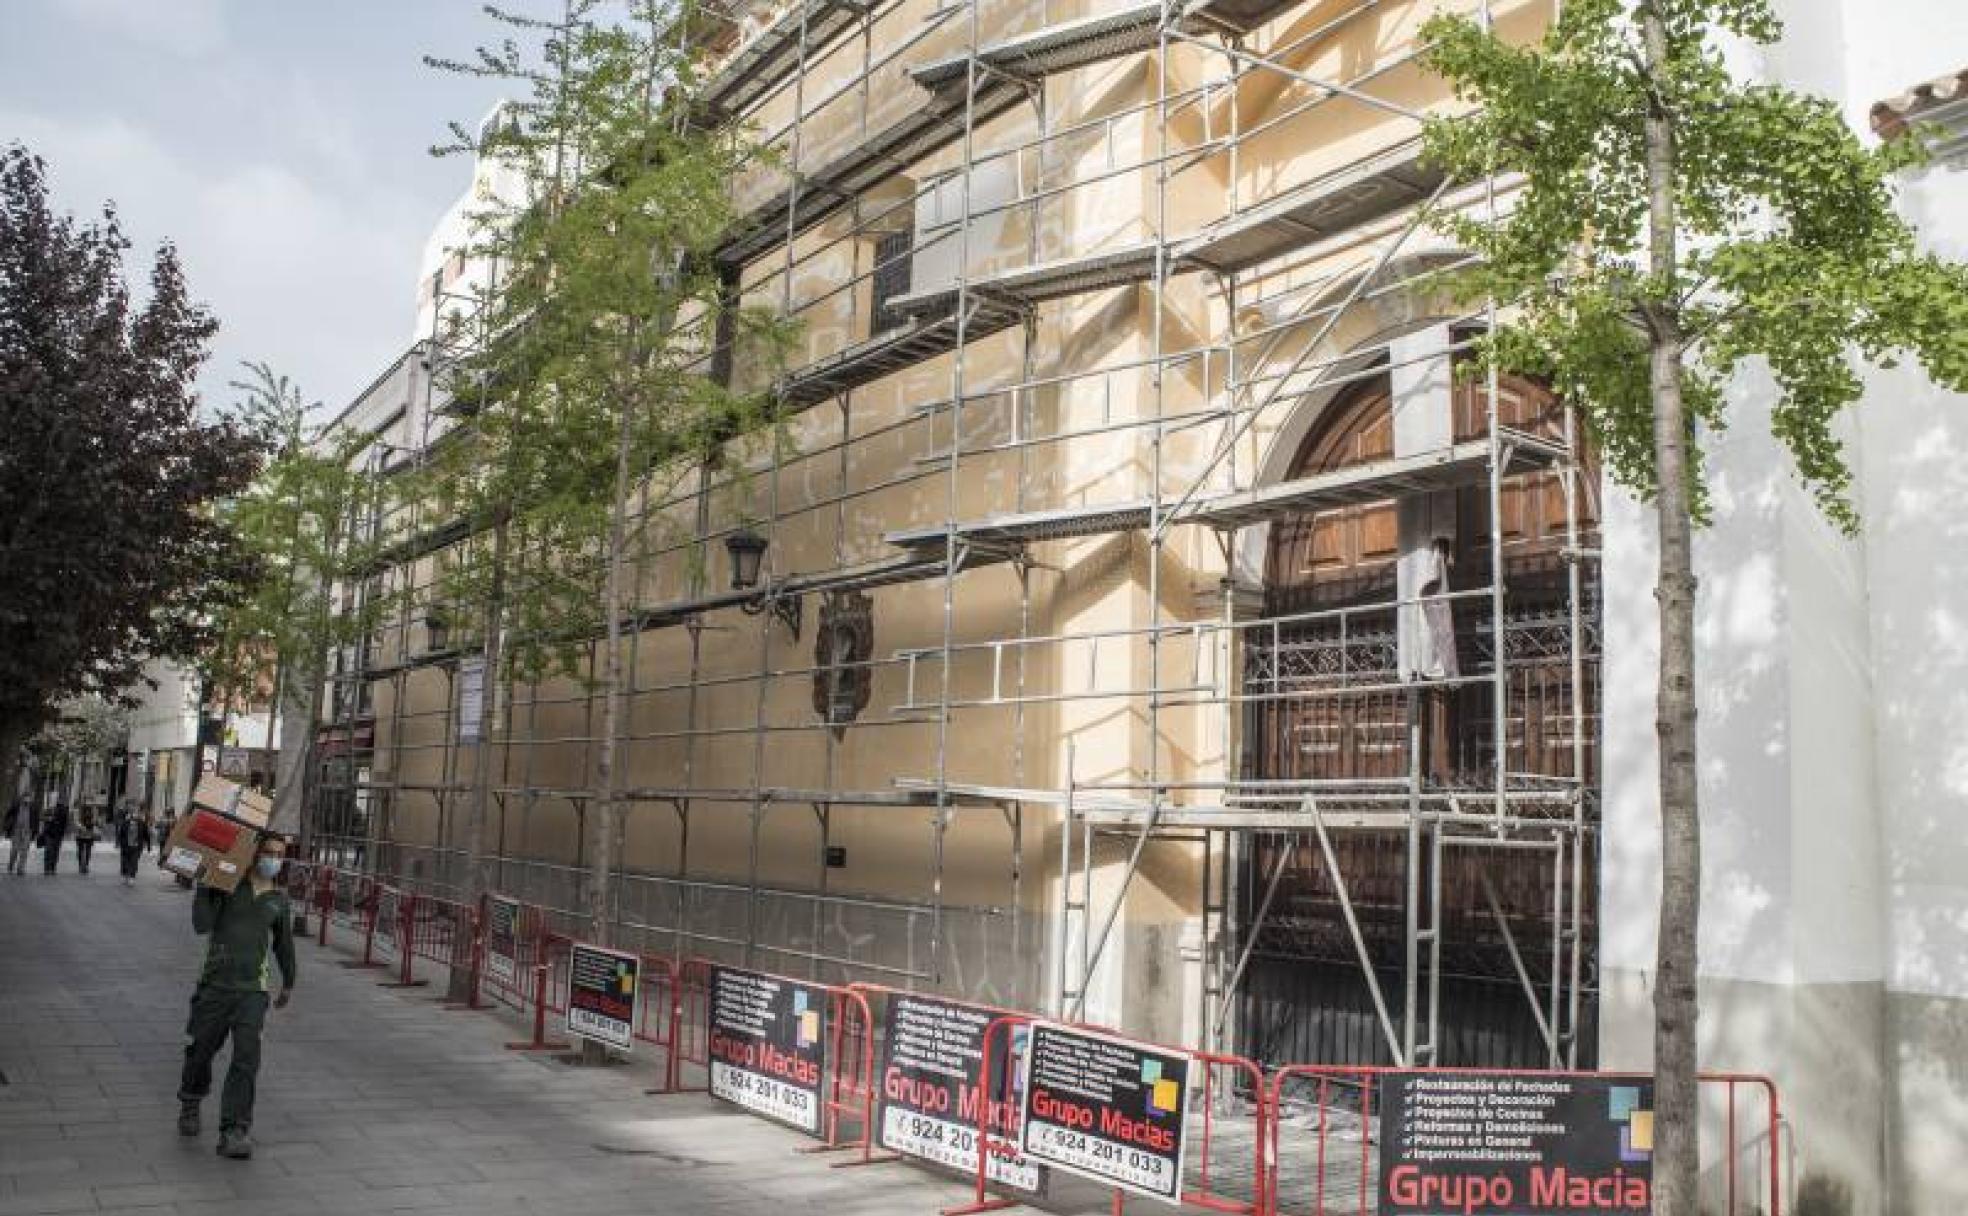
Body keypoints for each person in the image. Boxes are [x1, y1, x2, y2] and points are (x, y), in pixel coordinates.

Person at [178, 833, 297, 1160]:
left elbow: (284, 945)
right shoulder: (228, 885)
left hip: (252, 992)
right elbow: (201, 925)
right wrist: (205, 884)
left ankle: (234, 1130)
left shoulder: (278, 901)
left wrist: (289, 983)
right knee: (201, 1051)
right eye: (268, 852)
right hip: (215, 985)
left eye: (279, 854)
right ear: (255, 854)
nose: (274, 859)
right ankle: (191, 1100)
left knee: (246, 1060)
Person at [115, 806, 152, 886]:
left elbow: (146, 835)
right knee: (125, 861)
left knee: (134, 861)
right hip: (126, 846)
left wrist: (149, 845)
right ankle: (125, 875)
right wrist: (118, 843)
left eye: (136, 814)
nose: (134, 816)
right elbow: (121, 834)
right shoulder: (125, 823)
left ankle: (132, 877)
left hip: (137, 846)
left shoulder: (142, 823)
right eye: (133, 814)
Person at [4, 799, 35, 875]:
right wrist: (7, 827)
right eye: (26, 797)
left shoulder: (33, 808)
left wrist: (34, 832)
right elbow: (8, 816)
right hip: (16, 830)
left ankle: (20, 869)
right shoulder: (16, 806)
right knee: (15, 849)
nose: (27, 799)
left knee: (24, 851)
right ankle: (11, 865)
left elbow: (35, 820)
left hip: (27, 831)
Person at [39, 801, 69, 875]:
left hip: (57, 834)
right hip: (49, 833)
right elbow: (42, 817)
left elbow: (65, 823)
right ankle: (48, 868)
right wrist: (48, 819)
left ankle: (51, 868)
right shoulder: (49, 810)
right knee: (50, 850)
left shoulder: (63, 810)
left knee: (54, 851)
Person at [73, 805, 100, 875]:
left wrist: (94, 824)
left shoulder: (94, 810)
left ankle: (86, 865)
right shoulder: (78, 810)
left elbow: (96, 822)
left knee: (88, 850)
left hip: (89, 833)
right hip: (80, 833)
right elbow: (75, 821)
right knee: (80, 850)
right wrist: (81, 826)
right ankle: (81, 865)